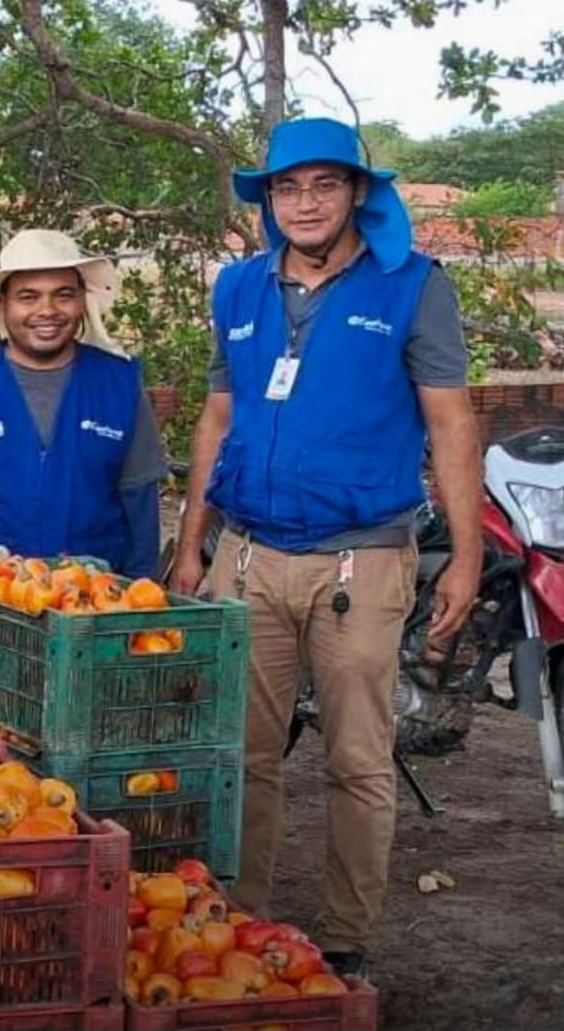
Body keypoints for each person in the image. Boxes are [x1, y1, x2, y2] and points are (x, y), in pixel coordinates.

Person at [168, 117, 482, 976]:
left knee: (355, 755)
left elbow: (452, 421)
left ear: (356, 194)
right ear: (267, 201)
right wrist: (191, 542)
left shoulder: (412, 287)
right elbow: (218, 417)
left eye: (324, 184)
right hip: (248, 555)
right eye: (286, 187)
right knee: (245, 753)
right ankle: (240, 919)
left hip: (363, 560)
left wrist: (459, 553)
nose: (304, 202)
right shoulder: (236, 287)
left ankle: (345, 939)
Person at [0, 229, 166, 677]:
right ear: (2, 305)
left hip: (92, 619)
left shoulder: (119, 384)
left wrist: (140, 613)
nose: (47, 311)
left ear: (83, 301)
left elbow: (141, 510)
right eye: (28, 296)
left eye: (63, 294)